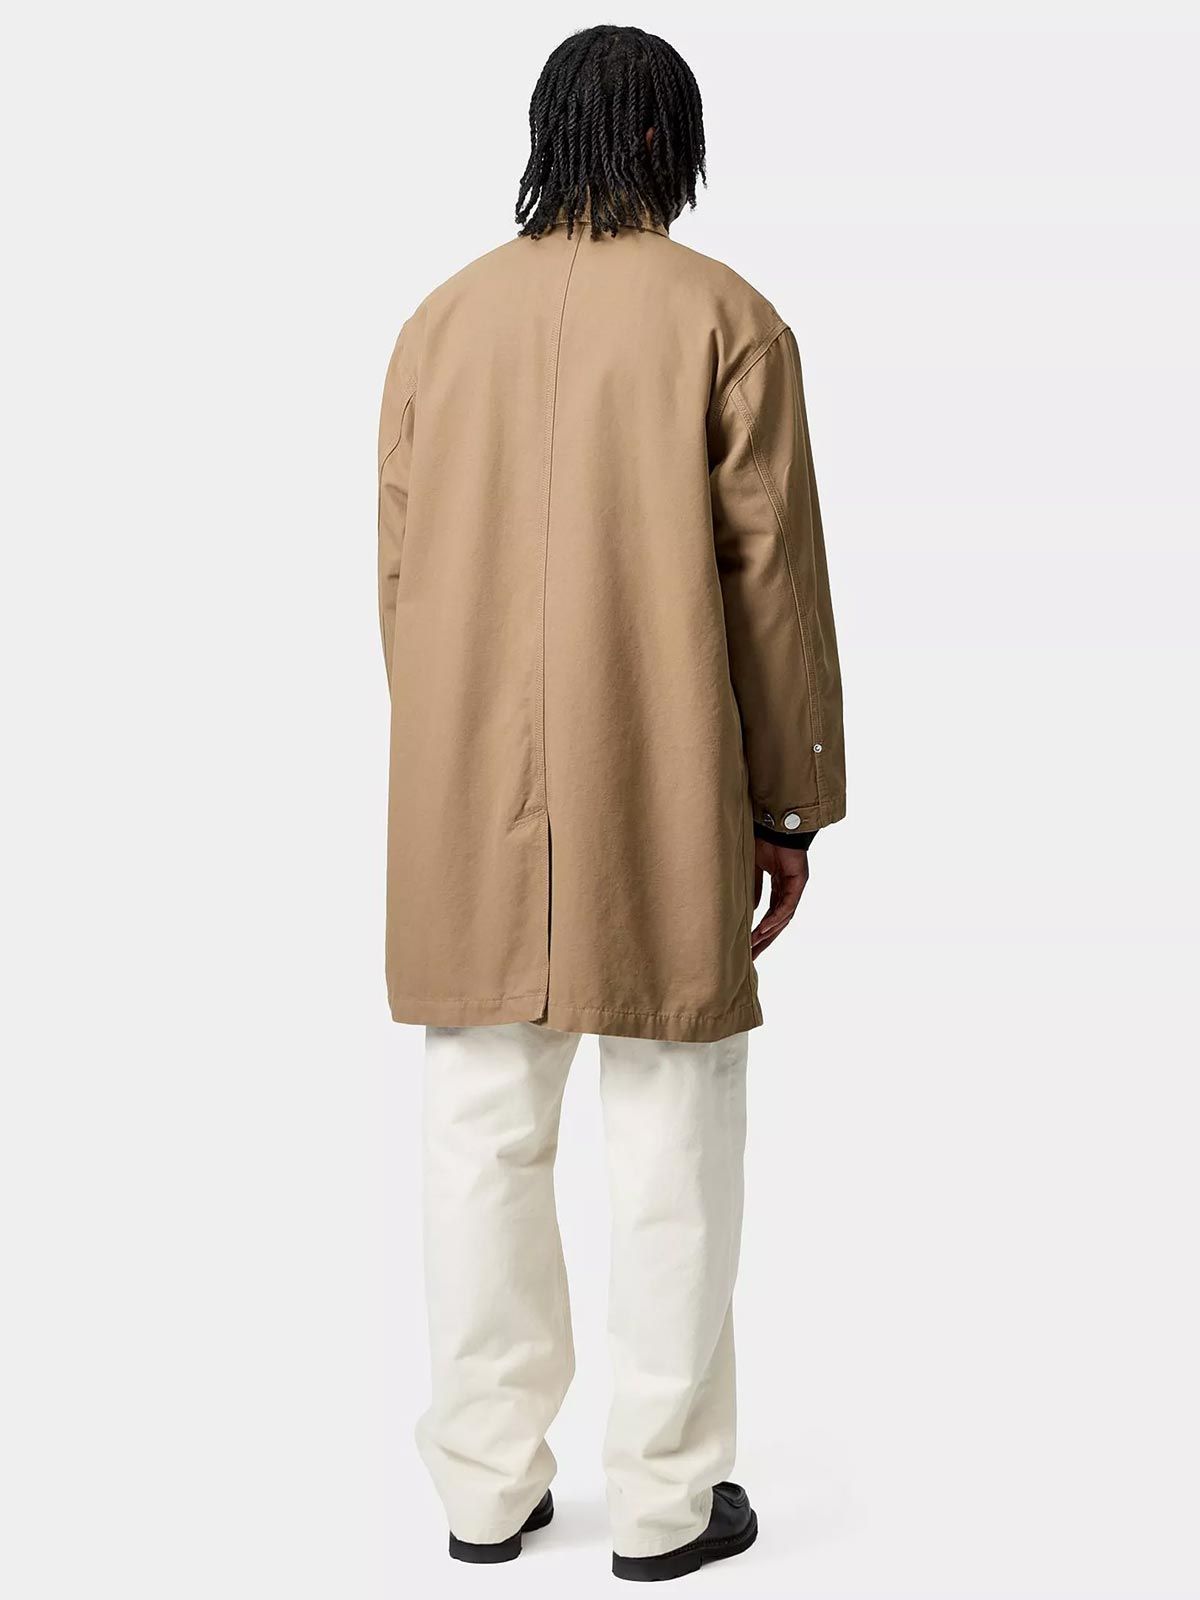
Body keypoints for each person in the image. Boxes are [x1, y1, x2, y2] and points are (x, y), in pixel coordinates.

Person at [377, 23, 844, 1582]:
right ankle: (661, 1505)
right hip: (660, 783)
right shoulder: (727, 320)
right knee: (670, 1144)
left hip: (466, 801)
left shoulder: (441, 323)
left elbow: (401, 581)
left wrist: (457, 762)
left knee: (477, 1140)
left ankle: (483, 1490)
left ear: (549, 133)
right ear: (665, 143)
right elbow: (772, 586)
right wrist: (790, 804)